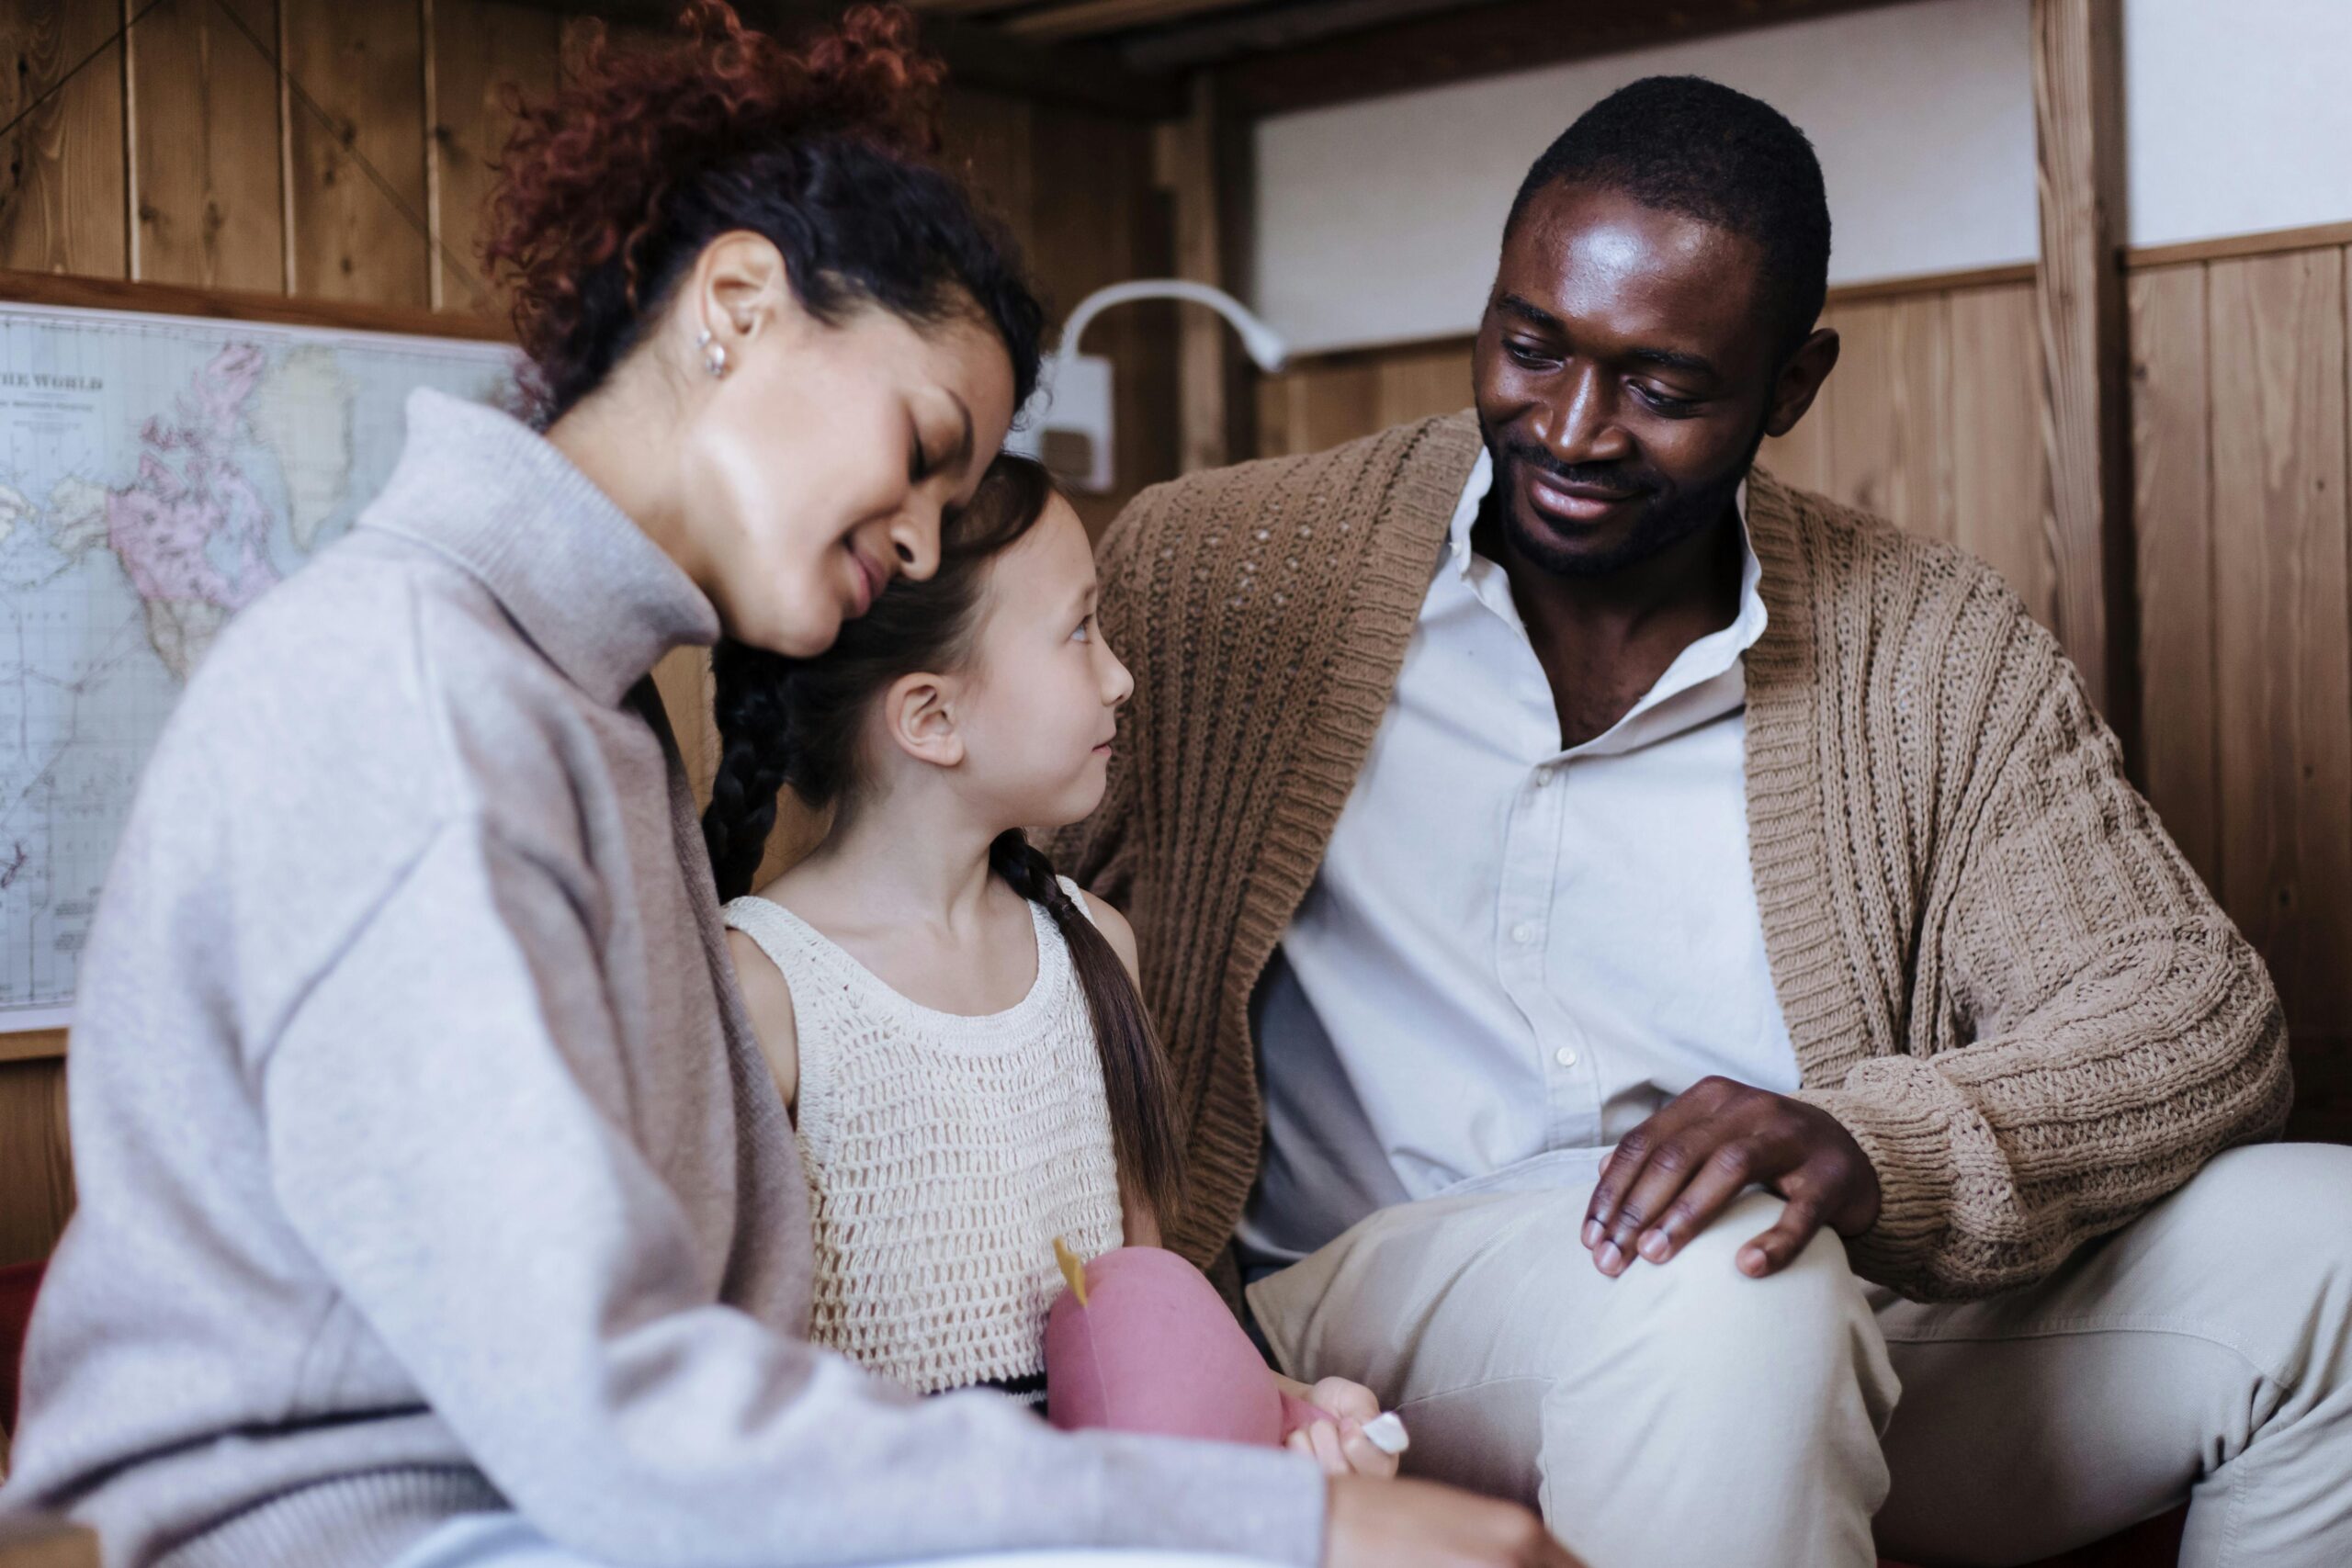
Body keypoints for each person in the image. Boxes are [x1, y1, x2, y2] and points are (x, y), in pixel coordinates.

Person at [0, 7, 1573, 1567]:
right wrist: (1283, 1516)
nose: (916, 537)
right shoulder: (411, 699)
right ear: (737, 306)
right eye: (923, 445)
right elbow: (605, 1413)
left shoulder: (584, 706)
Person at [1051, 73, 2352, 1568]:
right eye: (1530, 347)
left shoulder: (1924, 639)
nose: (1573, 429)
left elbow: (2193, 1010)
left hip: (1791, 1329)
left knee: (2327, 1244)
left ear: (1791, 386)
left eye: (1662, 388)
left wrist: (1876, 1145)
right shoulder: (1226, 563)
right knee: (1724, 1266)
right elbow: (981, 899)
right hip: (1362, 1330)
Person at [705, 455, 1396, 1480]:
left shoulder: (1089, 946)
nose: (1118, 674)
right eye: (1080, 630)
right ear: (930, 718)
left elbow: (1148, 1319)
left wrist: (1294, 1416)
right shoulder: (765, 995)